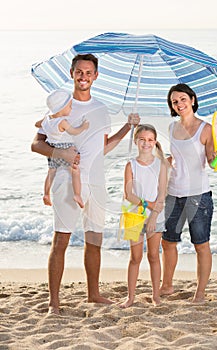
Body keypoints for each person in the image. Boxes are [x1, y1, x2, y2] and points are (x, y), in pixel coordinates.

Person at [31, 53, 140, 315]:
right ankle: (53, 302)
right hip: (67, 180)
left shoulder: (101, 109)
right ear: (71, 73)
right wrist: (62, 154)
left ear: (96, 76)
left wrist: (128, 127)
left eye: (89, 72)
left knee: (94, 239)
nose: (84, 76)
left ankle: (94, 294)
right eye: (79, 71)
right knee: (62, 240)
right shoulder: (59, 107)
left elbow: (103, 147)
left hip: (97, 181)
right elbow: (36, 144)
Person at [160, 83, 217, 303]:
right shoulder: (171, 128)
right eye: (174, 101)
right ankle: (166, 286)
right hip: (173, 192)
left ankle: (200, 293)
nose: (179, 104)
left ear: (193, 100)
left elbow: (211, 162)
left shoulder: (205, 129)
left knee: (201, 244)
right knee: (168, 242)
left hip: (199, 195)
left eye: (182, 99)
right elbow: (174, 159)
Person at [120, 124, 168, 308]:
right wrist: (147, 204)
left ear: (154, 142)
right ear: (136, 141)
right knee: (135, 258)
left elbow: (162, 194)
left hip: (156, 216)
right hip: (133, 215)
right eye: (142, 139)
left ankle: (156, 296)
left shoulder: (161, 165)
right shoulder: (130, 165)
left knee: (154, 256)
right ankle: (130, 297)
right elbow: (128, 195)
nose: (146, 143)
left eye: (150, 140)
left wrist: (154, 217)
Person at [35, 89, 89, 208]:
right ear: (61, 109)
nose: (71, 109)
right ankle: (77, 194)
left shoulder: (46, 120)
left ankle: (46, 194)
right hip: (65, 148)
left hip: (52, 150)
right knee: (75, 171)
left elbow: (36, 124)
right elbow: (74, 132)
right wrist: (84, 126)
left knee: (51, 172)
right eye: (69, 106)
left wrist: (45, 122)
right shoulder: (62, 122)